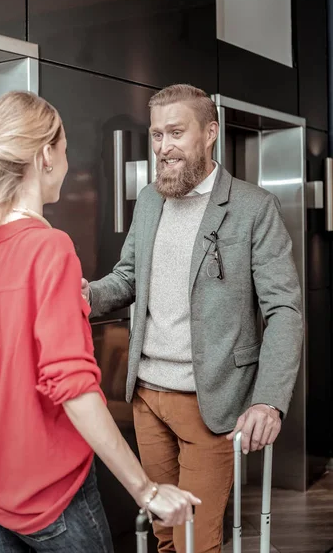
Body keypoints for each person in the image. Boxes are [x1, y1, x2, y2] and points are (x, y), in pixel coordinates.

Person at [0, 91, 200, 553]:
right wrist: (147, 489)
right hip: (54, 501)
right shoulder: (48, 248)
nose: (68, 158)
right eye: (65, 147)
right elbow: (74, 388)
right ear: (44, 156)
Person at [82, 84, 303, 553]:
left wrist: (269, 400)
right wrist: (84, 295)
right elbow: (127, 278)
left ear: (210, 133)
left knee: (197, 543)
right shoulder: (148, 200)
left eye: (176, 133)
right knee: (165, 534)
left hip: (211, 403)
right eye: (157, 135)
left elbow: (283, 309)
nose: (163, 147)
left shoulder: (253, 208)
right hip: (145, 397)